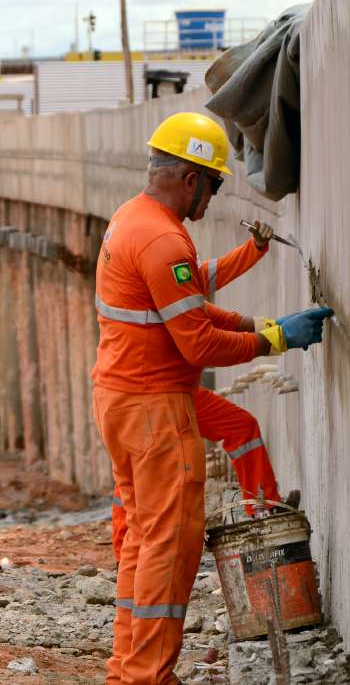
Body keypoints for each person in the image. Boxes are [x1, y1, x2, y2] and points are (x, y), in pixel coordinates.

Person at [92, 111, 333, 685]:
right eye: (216, 183)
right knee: (169, 546)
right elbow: (197, 340)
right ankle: (148, 675)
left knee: (144, 537)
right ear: (190, 177)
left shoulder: (134, 219)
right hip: (155, 405)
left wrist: (265, 323)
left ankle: (129, 670)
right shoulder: (160, 237)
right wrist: (273, 338)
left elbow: (191, 305)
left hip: (124, 398)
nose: (215, 195)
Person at [108, 219, 301, 558]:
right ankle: (128, 553)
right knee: (139, 474)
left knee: (241, 427)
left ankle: (265, 509)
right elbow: (206, 342)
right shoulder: (154, 266)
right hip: (149, 394)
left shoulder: (167, 272)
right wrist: (272, 339)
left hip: (177, 389)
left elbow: (208, 297)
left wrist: (254, 253)